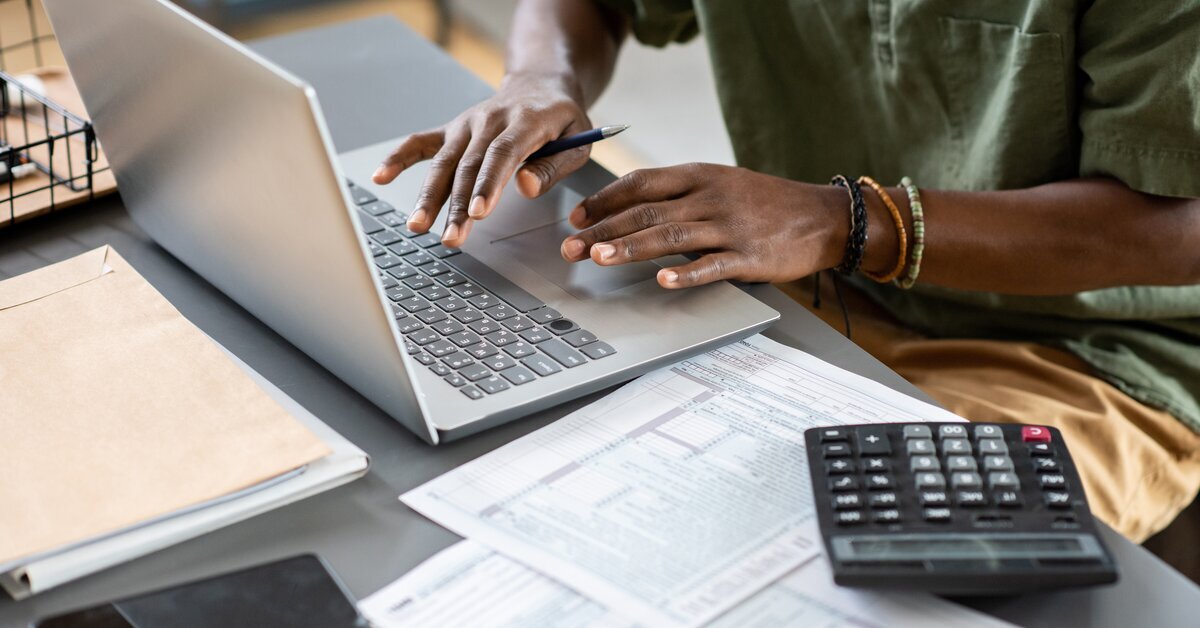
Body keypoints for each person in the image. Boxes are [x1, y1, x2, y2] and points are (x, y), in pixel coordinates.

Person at [372, 0, 1200, 543]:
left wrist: (845, 219)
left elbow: (1180, 228)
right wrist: (540, 78)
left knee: (826, 561)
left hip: (1087, 354)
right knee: (540, 482)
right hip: (799, 287)